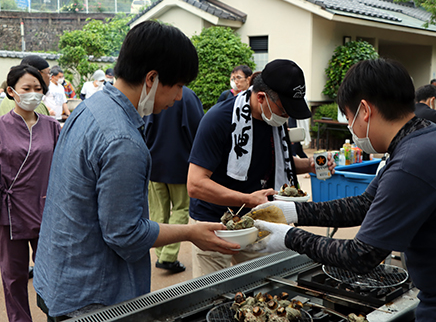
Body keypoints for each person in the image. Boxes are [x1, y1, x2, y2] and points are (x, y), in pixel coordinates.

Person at [247, 58, 436, 321]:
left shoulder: (413, 161)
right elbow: (364, 205)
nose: (349, 127)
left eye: (347, 116)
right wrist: (291, 211)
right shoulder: (425, 137)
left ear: (364, 110)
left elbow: (361, 256)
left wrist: (289, 238)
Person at [33, 21, 239, 321]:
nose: (180, 97)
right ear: (151, 78)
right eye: (179, 86)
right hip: (93, 297)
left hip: (58, 277)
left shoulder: (91, 107)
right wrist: (191, 232)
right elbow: (126, 234)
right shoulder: (123, 141)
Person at [187, 59, 335, 278]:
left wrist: (309, 165)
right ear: (262, 97)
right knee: (211, 294)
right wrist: (247, 199)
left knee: (263, 286)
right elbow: (196, 184)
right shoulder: (219, 120)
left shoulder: (274, 121)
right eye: (284, 110)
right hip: (214, 223)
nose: (286, 117)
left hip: (257, 219)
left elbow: (277, 161)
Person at [0, 65, 61, 322]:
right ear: (12, 91)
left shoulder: (52, 126)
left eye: (38, 89)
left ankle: (57, 316)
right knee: (13, 277)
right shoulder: (1, 127)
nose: (33, 94)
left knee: (53, 272)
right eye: (27, 88)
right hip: (9, 212)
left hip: (46, 209)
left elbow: (64, 167)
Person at [144, 86, 204, 273]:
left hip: (154, 161)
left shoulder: (155, 92)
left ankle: (161, 252)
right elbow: (198, 130)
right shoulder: (187, 95)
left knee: (158, 211)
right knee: (180, 208)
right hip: (180, 163)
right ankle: (168, 256)